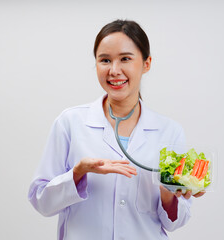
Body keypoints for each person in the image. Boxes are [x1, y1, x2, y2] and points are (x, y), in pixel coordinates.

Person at [28, 19, 204, 240]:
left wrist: (168, 195)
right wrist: (77, 173)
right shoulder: (70, 122)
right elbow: (41, 202)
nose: (114, 70)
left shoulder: (169, 132)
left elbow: (177, 222)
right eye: (105, 60)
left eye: (125, 59)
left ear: (146, 63)